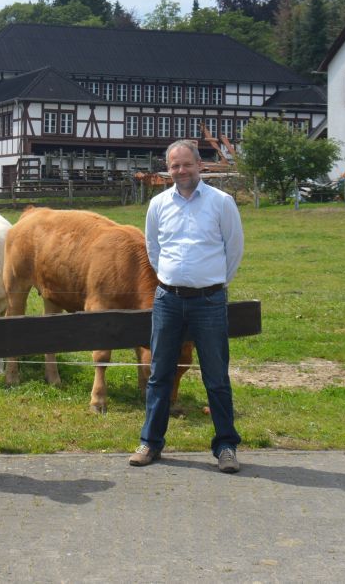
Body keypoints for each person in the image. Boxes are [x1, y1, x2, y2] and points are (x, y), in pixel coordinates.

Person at [130, 138, 244, 473]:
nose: (181, 171)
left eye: (186, 164)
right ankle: (150, 442)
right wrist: (172, 277)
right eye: (174, 165)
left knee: (216, 377)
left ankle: (226, 447)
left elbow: (234, 249)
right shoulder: (159, 205)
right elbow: (153, 249)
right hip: (167, 299)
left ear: (200, 165)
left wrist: (215, 283)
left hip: (209, 301)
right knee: (159, 374)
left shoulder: (221, 203)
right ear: (169, 169)